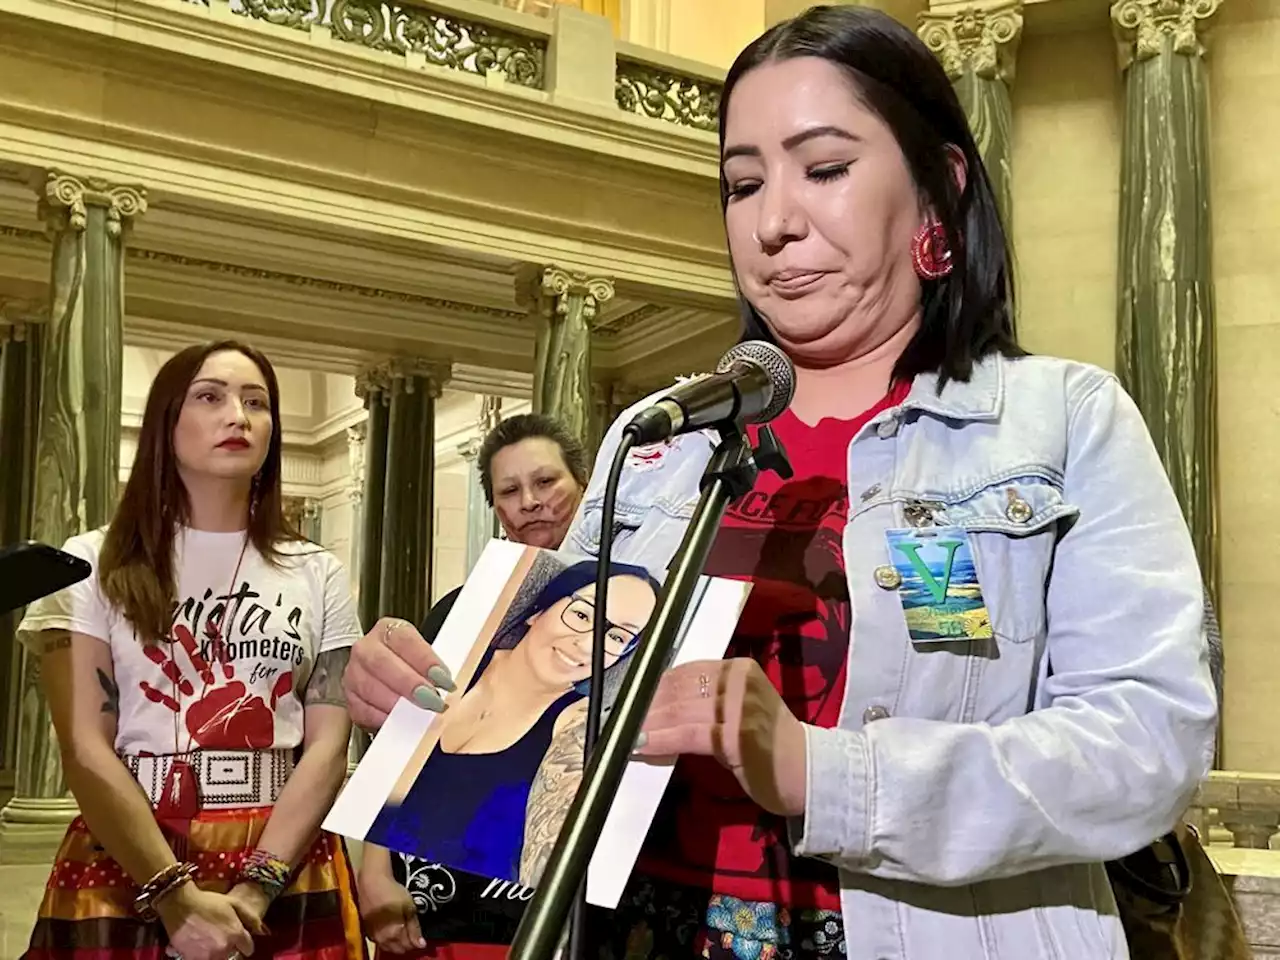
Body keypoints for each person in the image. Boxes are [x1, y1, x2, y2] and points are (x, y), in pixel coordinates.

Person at [345, 6, 1218, 958]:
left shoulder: (1059, 421)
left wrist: (819, 770)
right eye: (743, 183)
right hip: (637, 932)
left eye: (827, 168)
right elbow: (561, 705)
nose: (773, 222)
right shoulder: (660, 440)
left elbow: (1147, 745)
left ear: (940, 189)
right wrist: (432, 701)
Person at [19, 340, 366, 960]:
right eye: (211, 396)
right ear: (166, 420)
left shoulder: (316, 571)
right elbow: (84, 746)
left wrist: (258, 886)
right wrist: (173, 896)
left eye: (257, 402)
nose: (239, 415)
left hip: (283, 854)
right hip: (132, 848)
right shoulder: (91, 563)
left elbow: (328, 745)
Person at [353, 412, 589, 958]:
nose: (530, 500)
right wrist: (375, 870)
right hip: (444, 895)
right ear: (498, 511)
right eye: (510, 490)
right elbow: (400, 748)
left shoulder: (632, 612)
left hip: (568, 894)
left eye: (546, 481)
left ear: (585, 485)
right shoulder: (458, 615)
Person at [365, 560, 659, 884]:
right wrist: (374, 875)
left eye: (617, 637)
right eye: (581, 615)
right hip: (383, 902)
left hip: (498, 925)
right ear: (537, 611)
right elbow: (384, 761)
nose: (589, 644)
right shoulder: (455, 654)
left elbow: (554, 842)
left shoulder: (577, 721)